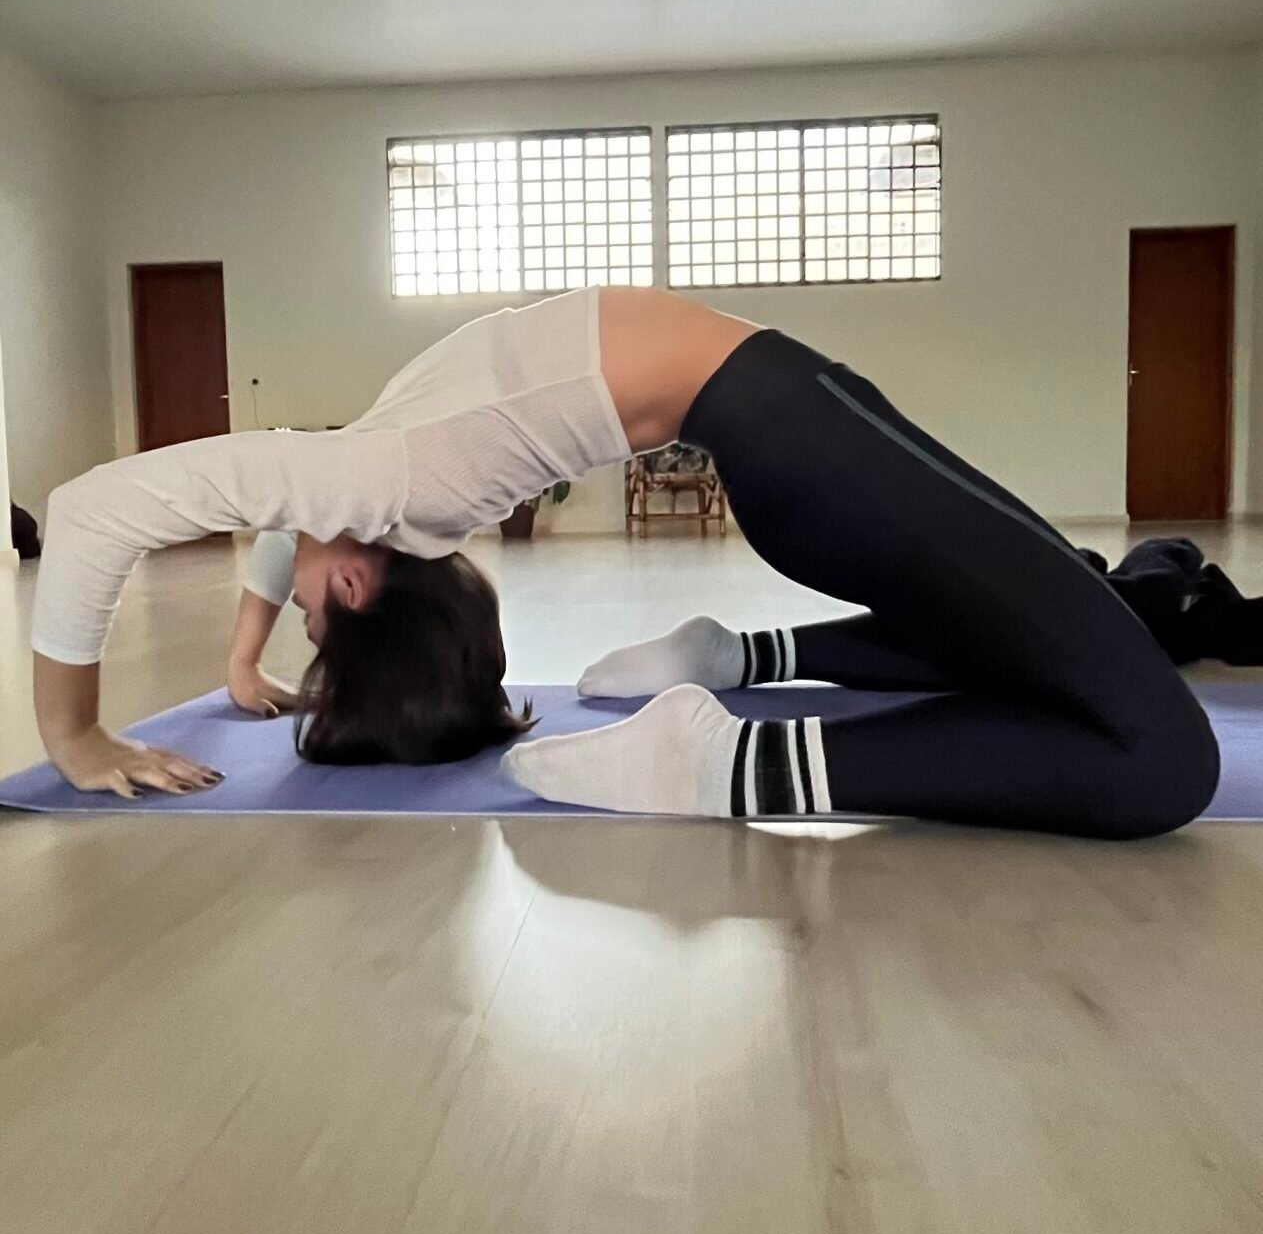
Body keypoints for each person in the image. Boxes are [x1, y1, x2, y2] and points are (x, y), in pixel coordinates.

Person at [31, 287, 1219, 836]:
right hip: (798, 438)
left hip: (793, 442)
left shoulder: (381, 485)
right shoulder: (384, 486)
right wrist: (79, 737)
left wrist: (227, 667)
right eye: (308, 609)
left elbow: (210, 514)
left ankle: (739, 658)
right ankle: (721, 761)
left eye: (299, 609)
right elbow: (118, 515)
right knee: (1165, 760)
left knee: (1043, 643)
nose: (288, 587)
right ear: (357, 581)